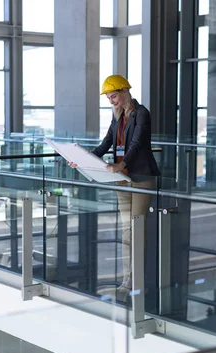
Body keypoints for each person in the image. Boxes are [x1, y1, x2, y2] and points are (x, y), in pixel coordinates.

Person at [71, 74, 160, 294]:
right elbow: (105, 145)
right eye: (109, 98)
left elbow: (138, 143)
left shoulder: (141, 114)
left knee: (136, 229)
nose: (111, 101)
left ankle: (136, 280)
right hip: (122, 179)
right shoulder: (117, 119)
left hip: (140, 178)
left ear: (124, 92)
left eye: (114, 96)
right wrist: (83, 158)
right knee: (126, 231)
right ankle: (127, 280)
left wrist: (122, 164)